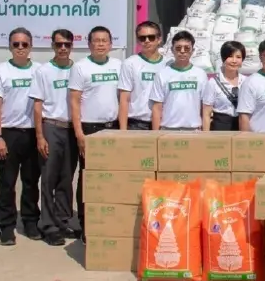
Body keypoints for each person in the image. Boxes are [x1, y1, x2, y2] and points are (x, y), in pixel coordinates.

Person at [0, 28, 41, 246]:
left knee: (31, 182)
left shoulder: (39, 70)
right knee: (7, 183)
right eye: (16, 44)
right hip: (8, 133)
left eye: (24, 44)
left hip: (32, 133)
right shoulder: (1, 71)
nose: (20, 48)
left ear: (31, 47)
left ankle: (30, 222)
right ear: (10, 46)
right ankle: (7, 228)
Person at [68, 25, 122, 239]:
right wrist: (79, 133)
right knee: (88, 177)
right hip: (90, 129)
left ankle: (108, 219)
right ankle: (86, 223)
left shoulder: (119, 65)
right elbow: (74, 102)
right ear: (89, 44)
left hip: (113, 127)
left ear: (110, 44)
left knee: (112, 177)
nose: (100, 44)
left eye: (104, 40)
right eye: (96, 41)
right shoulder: (81, 68)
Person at [31, 29, 76, 247]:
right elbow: (37, 105)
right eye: (59, 44)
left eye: (67, 44)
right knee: (49, 177)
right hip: (51, 126)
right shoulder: (44, 71)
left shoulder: (77, 69)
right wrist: (40, 135)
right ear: (52, 46)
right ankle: (48, 224)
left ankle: (63, 219)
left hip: (71, 128)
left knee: (66, 178)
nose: (63, 48)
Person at [150, 30, 207, 131]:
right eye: (178, 48)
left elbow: (205, 108)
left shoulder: (200, 74)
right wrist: (156, 134)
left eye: (187, 48)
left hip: (194, 131)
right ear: (172, 50)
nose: (182, 51)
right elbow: (157, 108)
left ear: (192, 50)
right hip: (168, 130)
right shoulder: (162, 74)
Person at [118, 20, 165, 130]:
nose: (147, 41)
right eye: (142, 38)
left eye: (151, 37)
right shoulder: (130, 63)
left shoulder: (168, 64)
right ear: (138, 41)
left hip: (164, 123)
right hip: (137, 124)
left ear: (159, 39)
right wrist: (123, 131)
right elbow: (124, 99)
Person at [202, 40, 244, 131]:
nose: (234, 61)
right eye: (230, 56)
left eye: (238, 57)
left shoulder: (246, 82)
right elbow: (206, 114)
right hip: (220, 127)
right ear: (223, 58)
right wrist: (205, 138)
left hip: (241, 126)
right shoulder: (213, 83)